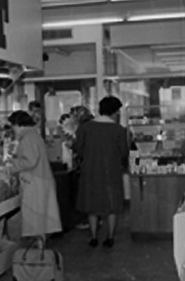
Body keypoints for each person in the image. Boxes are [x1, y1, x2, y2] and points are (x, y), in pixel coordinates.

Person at [73, 96, 129, 248]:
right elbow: (123, 152)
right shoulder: (118, 130)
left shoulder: (85, 128)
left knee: (92, 205)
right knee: (112, 205)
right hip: (111, 171)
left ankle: (93, 236)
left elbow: (78, 149)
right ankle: (110, 237)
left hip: (90, 171)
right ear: (114, 112)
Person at [8, 110, 62, 246]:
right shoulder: (33, 135)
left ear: (18, 125)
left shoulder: (28, 138)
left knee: (36, 220)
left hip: (35, 183)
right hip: (39, 181)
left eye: (13, 126)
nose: (13, 130)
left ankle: (39, 251)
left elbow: (30, 161)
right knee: (41, 220)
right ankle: (40, 247)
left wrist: (11, 165)